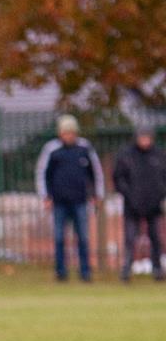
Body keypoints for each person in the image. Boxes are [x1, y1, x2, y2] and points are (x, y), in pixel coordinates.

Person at [34, 114, 105, 282]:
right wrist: (45, 196)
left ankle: (85, 272)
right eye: (65, 133)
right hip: (59, 202)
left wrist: (97, 195)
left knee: (83, 237)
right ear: (60, 133)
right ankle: (61, 272)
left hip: (80, 201)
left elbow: (96, 173)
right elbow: (42, 173)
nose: (69, 136)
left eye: (71, 133)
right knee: (59, 238)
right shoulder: (51, 149)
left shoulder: (85, 148)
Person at [111, 125, 165, 282]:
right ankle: (126, 269)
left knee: (156, 238)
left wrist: (160, 195)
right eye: (142, 137)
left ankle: (157, 269)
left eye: (147, 137)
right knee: (130, 238)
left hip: (154, 205)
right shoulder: (126, 155)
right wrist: (129, 196)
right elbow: (118, 178)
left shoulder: (159, 155)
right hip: (132, 205)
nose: (145, 141)